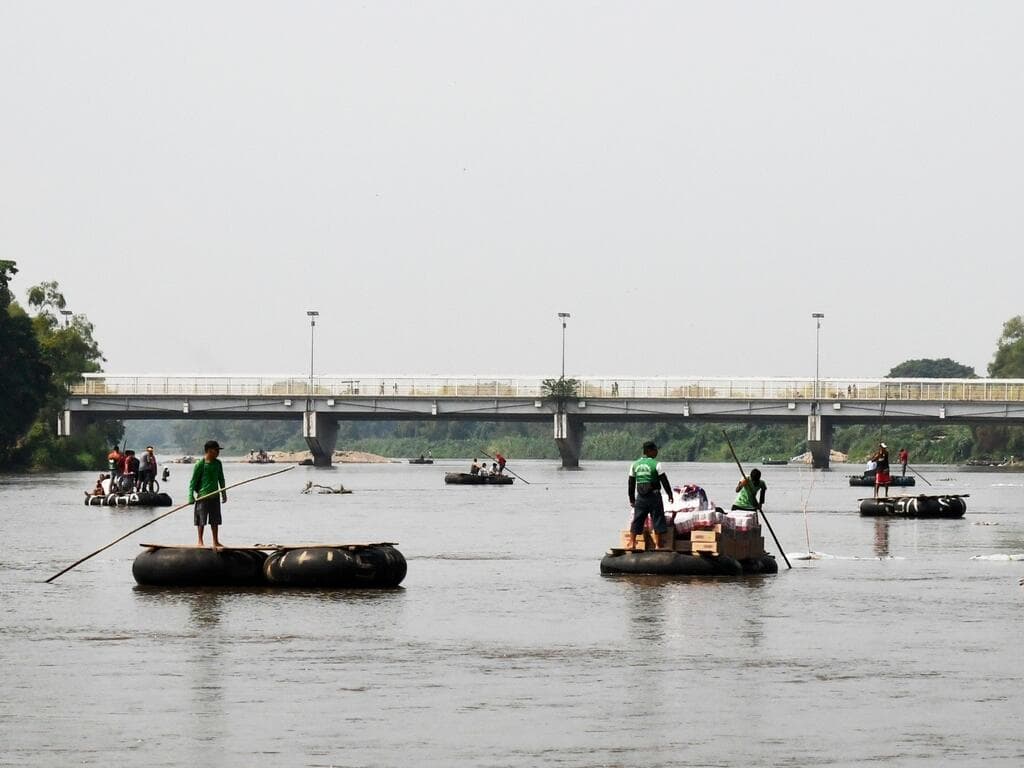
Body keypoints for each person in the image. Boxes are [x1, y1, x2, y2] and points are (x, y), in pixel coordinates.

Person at [627, 441, 674, 551]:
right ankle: (658, 545)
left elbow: (631, 483)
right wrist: (669, 494)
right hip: (654, 496)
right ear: (650, 451)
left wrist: (631, 499)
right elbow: (664, 481)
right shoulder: (656, 464)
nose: (657, 452)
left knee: (637, 519)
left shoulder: (634, 464)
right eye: (655, 450)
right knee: (657, 519)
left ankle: (632, 543)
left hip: (641, 497)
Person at [189, 440, 227, 549]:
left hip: (215, 495)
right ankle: (200, 541)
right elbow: (193, 482)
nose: (218, 453)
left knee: (215, 520)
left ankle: (215, 541)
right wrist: (190, 496)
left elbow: (221, 479)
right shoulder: (200, 464)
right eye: (216, 450)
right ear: (209, 451)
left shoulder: (218, 463)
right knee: (201, 519)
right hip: (203, 496)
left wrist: (223, 493)